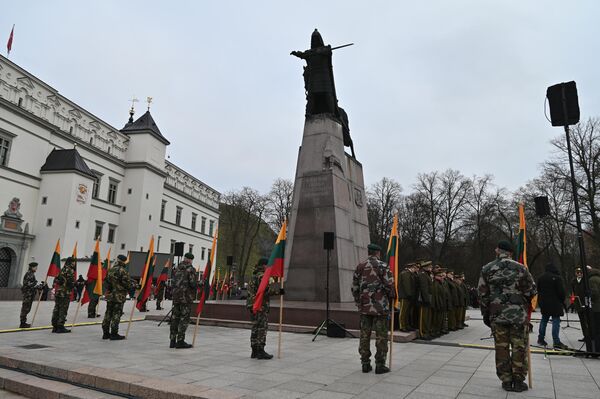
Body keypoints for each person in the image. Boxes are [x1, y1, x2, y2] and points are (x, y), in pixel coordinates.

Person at [478, 240, 536, 393]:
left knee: (501, 348)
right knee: (519, 347)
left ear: (498, 251)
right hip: (518, 316)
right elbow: (531, 291)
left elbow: (482, 294)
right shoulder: (521, 268)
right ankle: (518, 380)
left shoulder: (487, 268)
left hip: (497, 316)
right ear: (511, 252)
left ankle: (506, 380)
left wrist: (486, 313)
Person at [351, 243, 395, 374]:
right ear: (378, 253)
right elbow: (389, 286)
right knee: (381, 336)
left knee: (365, 335)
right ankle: (380, 365)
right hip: (380, 307)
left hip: (365, 307)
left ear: (369, 252)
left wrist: (359, 303)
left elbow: (354, 288)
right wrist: (392, 300)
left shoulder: (360, 266)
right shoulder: (383, 266)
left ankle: (365, 363)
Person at [246, 257, 283, 359]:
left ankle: (254, 350)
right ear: (263, 265)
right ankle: (260, 351)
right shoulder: (262, 276)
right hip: (260, 306)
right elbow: (265, 291)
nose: (268, 267)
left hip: (252, 305)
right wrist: (278, 291)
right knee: (262, 328)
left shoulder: (254, 275)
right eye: (267, 265)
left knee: (255, 328)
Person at [537, 263, 567, 349]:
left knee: (544, 321)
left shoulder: (540, 278)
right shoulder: (557, 278)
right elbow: (561, 292)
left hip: (544, 303)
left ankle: (541, 339)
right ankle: (556, 341)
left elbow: (538, 290)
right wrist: (562, 301)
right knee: (556, 321)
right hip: (555, 303)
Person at [170, 253, 197, 349]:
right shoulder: (190, 269)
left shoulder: (177, 268)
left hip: (176, 297)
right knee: (184, 319)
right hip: (185, 298)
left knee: (174, 318)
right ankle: (180, 341)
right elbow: (193, 284)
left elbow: (173, 282)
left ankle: (172, 340)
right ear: (190, 260)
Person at [102, 254, 132, 340]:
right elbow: (127, 284)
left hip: (110, 295)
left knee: (108, 313)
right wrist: (134, 286)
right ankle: (114, 334)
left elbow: (106, 283)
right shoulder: (122, 271)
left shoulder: (110, 270)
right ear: (124, 261)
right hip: (119, 296)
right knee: (116, 314)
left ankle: (105, 333)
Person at [52, 257, 77, 333]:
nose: (75, 263)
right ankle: (60, 326)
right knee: (63, 309)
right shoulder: (70, 270)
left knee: (57, 309)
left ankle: (55, 326)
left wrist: (61, 283)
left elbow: (56, 280)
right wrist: (76, 284)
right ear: (72, 262)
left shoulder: (62, 269)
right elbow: (71, 282)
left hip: (59, 292)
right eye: (74, 262)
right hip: (65, 293)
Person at [417, 261, 433, 340]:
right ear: (425, 267)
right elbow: (424, 288)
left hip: (427, 298)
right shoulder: (423, 275)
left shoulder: (426, 274)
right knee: (423, 317)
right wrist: (426, 299)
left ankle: (426, 331)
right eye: (430, 267)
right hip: (423, 299)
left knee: (427, 316)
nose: (431, 268)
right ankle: (422, 333)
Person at [19, 262, 39, 328]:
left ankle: (23, 322)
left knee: (27, 308)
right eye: (35, 267)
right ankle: (22, 323)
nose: (36, 268)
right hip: (28, 294)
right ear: (32, 267)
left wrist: (38, 286)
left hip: (30, 294)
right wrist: (36, 286)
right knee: (25, 308)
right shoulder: (29, 274)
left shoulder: (31, 274)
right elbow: (28, 284)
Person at [571, 267, 588, 342]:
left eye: (580, 272)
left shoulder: (585, 281)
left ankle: (589, 336)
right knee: (582, 321)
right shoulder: (573, 281)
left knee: (587, 321)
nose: (579, 274)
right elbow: (573, 291)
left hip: (585, 303)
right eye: (577, 272)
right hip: (578, 303)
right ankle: (585, 336)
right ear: (575, 273)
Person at [398, 263, 415, 332]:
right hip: (405, 296)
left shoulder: (409, 274)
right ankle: (402, 326)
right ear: (410, 267)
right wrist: (409, 294)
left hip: (408, 296)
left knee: (407, 312)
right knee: (403, 312)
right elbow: (407, 285)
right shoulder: (405, 274)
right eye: (414, 267)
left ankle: (406, 325)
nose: (415, 269)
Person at [588, 266, 600, 353]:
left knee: (596, 329)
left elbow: (594, 292)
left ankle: (597, 349)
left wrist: (590, 297)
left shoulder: (592, 280)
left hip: (596, 307)